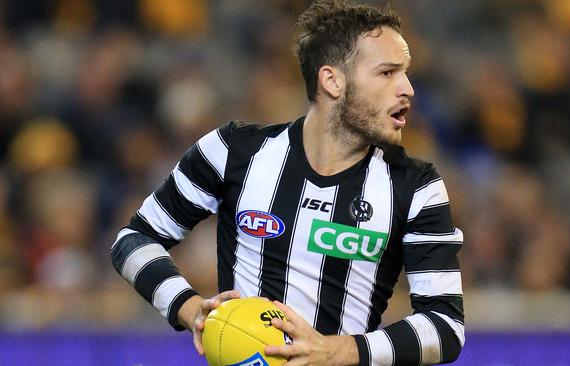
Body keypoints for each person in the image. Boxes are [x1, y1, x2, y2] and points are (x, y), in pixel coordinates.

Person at [110, 0, 465, 364]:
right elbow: (134, 241)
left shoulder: (416, 185)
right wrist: (188, 307)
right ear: (332, 80)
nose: (407, 88)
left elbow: (445, 326)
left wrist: (335, 351)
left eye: (405, 72)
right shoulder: (232, 151)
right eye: (388, 73)